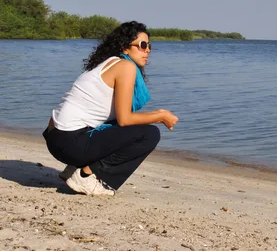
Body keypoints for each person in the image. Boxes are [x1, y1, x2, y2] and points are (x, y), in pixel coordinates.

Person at [43, 21, 179, 196]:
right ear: (125, 48)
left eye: (149, 46)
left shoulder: (109, 63)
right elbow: (125, 119)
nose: (147, 51)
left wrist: (154, 114)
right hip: (70, 143)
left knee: (121, 125)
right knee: (149, 134)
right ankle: (87, 175)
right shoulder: (125, 67)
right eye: (142, 45)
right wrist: (160, 115)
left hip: (56, 138)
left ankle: (73, 169)